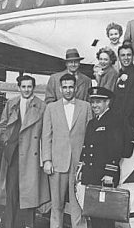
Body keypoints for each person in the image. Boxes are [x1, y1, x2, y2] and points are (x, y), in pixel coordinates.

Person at [0, 75, 50, 228]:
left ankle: (29, 225)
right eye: (24, 86)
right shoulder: (11, 103)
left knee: (30, 193)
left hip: (31, 154)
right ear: (18, 87)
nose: (26, 89)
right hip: (13, 154)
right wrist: (7, 141)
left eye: (29, 86)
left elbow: (45, 133)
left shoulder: (42, 106)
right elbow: (2, 125)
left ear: (33, 88)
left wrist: (43, 157)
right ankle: (9, 225)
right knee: (11, 191)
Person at [42, 73, 92, 228]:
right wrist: (47, 160)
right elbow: (46, 135)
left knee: (78, 205)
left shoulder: (86, 106)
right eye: (65, 87)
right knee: (56, 205)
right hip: (57, 163)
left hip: (78, 165)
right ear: (60, 88)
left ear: (76, 88)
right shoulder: (51, 108)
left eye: (71, 87)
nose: (68, 90)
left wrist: (87, 163)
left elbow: (90, 136)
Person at [79, 87, 125, 228]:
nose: (94, 106)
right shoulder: (92, 123)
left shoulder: (115, 120)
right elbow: (87, 147)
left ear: (107, 102)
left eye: (98, 102)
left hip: (105, 176)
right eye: (92, 102)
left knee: (105, 217)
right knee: (94, 215)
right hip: (92, 175)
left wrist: (109, 173)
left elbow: (116, 149)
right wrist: (81, 169)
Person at [111, 44, 134, 137]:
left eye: (129, 55)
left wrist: (119, 125)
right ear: (119, 57)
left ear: (133, 56)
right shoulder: (121, 73)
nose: (126, 58)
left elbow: (130, 105)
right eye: (123, 55)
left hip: (126, 124)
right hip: (117, 122)